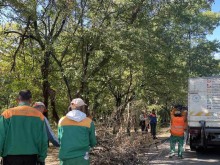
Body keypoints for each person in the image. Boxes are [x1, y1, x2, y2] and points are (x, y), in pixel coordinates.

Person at [0, 90, 48, 165]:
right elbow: (43, 139)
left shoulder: (7, 113)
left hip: (10, 158)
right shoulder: (39, 116)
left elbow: (1, 136)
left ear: (18, 100)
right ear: (30, 100)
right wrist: (42, 158)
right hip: (31, 158)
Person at [58, 98, 97, 165]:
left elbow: (59, 139)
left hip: (65, 158)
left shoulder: (62, 120)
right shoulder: (88, 122)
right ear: (82, 108)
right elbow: (93, 142)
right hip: (82, 159)